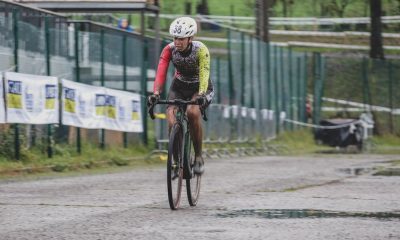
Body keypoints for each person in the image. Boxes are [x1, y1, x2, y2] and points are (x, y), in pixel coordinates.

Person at [147, 16, 214, 175]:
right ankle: (176, 161)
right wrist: (156, 92)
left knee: (192, 112)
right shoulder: (169, 49)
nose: (177, 42)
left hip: (199, 87)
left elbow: (205, 73)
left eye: (181, 39)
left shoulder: (201, 50)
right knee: (171, 116)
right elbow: (161, 71)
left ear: (190, 38)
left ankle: (198, 157)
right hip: (179, 85)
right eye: (175, 38)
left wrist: (202, 94)